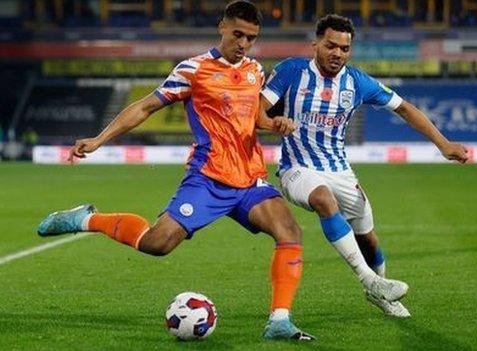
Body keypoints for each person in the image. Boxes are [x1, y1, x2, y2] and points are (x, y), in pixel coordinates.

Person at [39, 1, 336, 341]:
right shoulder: (193, 69)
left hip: (250, 180)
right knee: (157, 243)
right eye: (237, 34)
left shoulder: (255, 70)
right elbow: (146, 106)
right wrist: (100, 139)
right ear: (221, 27)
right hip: (208, 179)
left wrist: (275, 123)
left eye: (250, 38)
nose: (242, 43)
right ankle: (86, 219)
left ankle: (279, 321)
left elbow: (255, 119)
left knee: (289, 231)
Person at [258, 14, 468, 318]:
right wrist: (273, 123)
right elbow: (257, 111)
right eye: (331, 46)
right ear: (315, 44)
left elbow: (405, 109)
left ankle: (381, 291)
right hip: (296, 168)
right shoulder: (292, 71)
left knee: (368, 237)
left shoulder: (356, 82)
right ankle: (369, 281)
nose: (337, 54)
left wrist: (444, 145)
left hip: (340, 170)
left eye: (344, 48)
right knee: (322, 199)